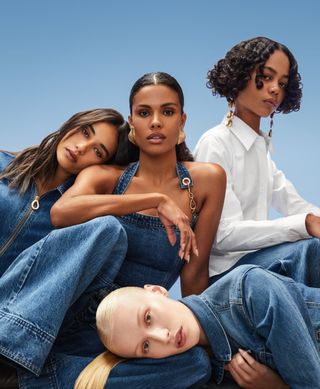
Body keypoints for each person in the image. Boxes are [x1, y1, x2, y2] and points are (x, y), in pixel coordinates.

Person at [15, 72, 226, 388]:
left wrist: (209, 341)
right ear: (132, 125)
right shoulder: (105, 176)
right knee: (108, 229)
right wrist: (155, 200)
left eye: (167, 112)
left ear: (182, 121)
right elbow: (60, 213)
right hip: (64, 313)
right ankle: (15, 352)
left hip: (135, 333)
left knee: (195, 364)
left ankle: (34, 378)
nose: (155, 122)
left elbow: (195, 275)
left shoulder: (208, 180)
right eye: (144, 113)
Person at [194, 37, 320, 387]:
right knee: (310, 247)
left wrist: (310, 219)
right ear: (238, 76)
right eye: (265, 77)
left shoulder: (261, 150)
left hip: (265, 265)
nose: (274, 90)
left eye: (282, 83)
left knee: (313, 246)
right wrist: (304, 225)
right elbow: (224, 235)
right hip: (232, 280)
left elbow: (295, 204)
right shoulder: (215, 143)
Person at [0, 108, 133, 386]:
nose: (81, 147)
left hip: (12, 325)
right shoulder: (3, 165)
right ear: (74, 123)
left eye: (97, 151)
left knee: (109, 231)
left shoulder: (76, 219)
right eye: (85, 132)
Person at [91, 264, 320, 389]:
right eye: (146, 347)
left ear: (157, 291)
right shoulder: (205, 372)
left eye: (148, 318)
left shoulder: (249, 290)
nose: (164, 337)